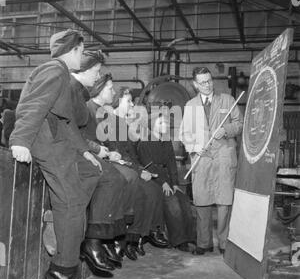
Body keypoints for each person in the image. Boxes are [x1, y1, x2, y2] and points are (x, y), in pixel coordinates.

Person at [10, 29, 110, 279]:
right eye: (81, 49)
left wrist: (85, 151)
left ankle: (66, 233)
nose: (82, 54)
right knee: (71, 201)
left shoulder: (61, 73)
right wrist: (20, 140)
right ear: (73, 50)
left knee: (90, 174)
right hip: (47, 143)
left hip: (60, 140)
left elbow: (66, 122)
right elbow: (32, 106)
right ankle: (62, 268)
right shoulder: (54, 70)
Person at [86, 76, 170, 259]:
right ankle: (125, 237)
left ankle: (139, 236)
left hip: (122, 163)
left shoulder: (120, 123)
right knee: (141, 189)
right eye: (129, 101)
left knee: (152, 190)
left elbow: (130, 154)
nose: (132, 105)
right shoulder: (105, 117)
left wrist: (141, 168)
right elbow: (115, 151)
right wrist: (138, 170)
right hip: (109, 163)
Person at [69, 50, 129, 270]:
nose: (97, 75)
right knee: (113, 178)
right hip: (71, 153)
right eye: (96, 71)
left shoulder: (82, 96)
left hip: (82, 150)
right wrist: (96, 150)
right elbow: (74, 131)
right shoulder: (79, 97)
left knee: (121, 179)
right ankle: (96, 240)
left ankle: (107, 238)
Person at [179, 67, 243, 255]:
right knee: (202, 202)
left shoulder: (228, 100)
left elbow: (240, 124)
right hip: (202, 159)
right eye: (203, 82)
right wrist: (194, 147)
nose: (207, 85)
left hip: (224, 156)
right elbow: (184, 134)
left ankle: (224, 243)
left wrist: (227, 130)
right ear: (195, 84)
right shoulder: (190, 105)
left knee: (224, 203)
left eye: (209, 80)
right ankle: (204, 242)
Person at [137, 112, 196, 251]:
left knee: (184, 200)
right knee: (172, 202)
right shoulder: (144, 142)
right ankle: (179, 241)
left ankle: (190, 237)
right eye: (160, 123)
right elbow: (149, 166)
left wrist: (175, 183)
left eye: (166, 123)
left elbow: (171, 164)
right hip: (153, 180)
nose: (165, 125)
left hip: (168, 180)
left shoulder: (166, 141)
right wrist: (163, 183)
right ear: (152, 125)